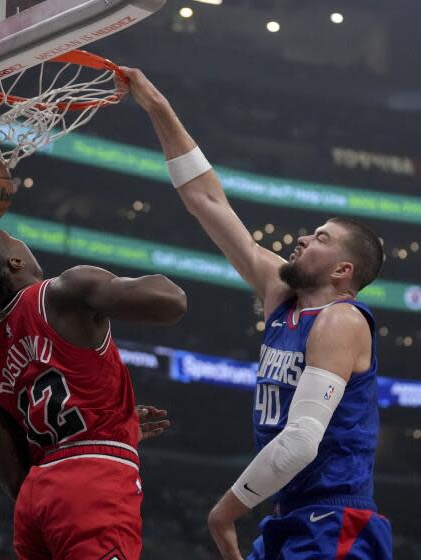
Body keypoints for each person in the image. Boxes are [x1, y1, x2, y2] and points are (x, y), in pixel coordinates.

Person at [119, 67, 393, 560]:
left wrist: (224, 512)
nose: (305, 238)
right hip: (290, 511)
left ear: (343, 270)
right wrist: (157, 106)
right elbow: (205, 201)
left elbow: (303, 442)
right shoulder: (280, 294)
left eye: (322, 238)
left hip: (335, 519)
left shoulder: (341, 320)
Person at [0, 226, 187, 559]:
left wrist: (108, 434)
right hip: (94, 485)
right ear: (14, 260)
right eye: (12, 236)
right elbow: (171, 302)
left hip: (36, 502)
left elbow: (12, 474)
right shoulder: (65, 291)